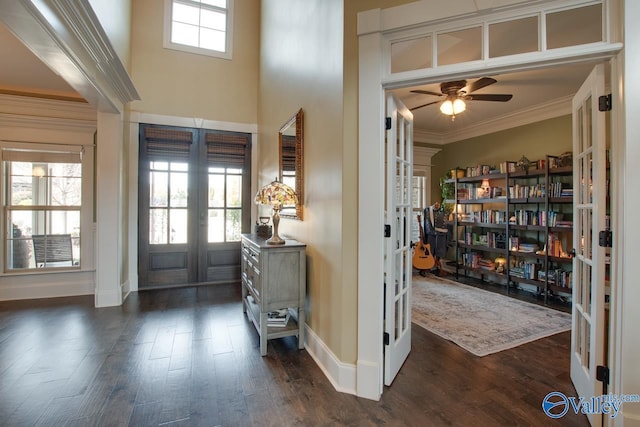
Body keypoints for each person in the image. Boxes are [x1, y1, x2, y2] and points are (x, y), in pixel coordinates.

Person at [423, 202, 449, 275]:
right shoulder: (427, 210)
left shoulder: (445, 211)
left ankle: (438, 265)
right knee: (430, 250)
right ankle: (429, 265)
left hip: (441, 234)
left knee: (440, 250)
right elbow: (425, 223)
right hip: (430, 233)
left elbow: (447, 224)